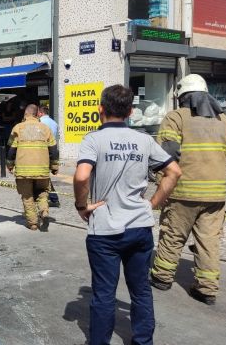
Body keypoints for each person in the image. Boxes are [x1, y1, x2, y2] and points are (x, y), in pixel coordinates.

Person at [73, 84, 181, 345]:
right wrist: (152, 204)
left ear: (100, 109)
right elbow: (174, 171)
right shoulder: (144, 140)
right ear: (131, 111)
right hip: (139, 227)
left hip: (105, 231)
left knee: (104, 294)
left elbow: (81, 175)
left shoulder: (93, 139)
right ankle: (143, 341)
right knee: (141, 291)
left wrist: (81, 206)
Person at [150, 74, 226, 305]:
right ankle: (207, 289)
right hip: (216, 196)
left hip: (183, 193)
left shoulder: (176, 118)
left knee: (173, 235)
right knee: (209, 242)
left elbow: (166, 155)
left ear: (183, 97)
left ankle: (162, 277)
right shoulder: (225, 122)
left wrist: (159, 183)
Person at [6, 104, 59, 231]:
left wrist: (9, 165)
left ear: (25, 114)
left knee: (27, 196)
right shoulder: (45, 129)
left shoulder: (18, 128)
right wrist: (54, 166)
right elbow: (53, 150)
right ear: (37, 114)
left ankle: (33, 224)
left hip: (23, 171)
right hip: (42, 170)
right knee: (42, 193)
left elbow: (11, 150)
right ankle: (44, 212)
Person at [37, 105, 61, 208]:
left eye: (38, 113)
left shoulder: (40, 123)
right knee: (45, 176)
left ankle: (52, 198)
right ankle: (52, 198)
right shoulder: (55, 123)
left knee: (43, 177)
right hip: (52, 151)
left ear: (41, 113)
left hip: (42, 152)